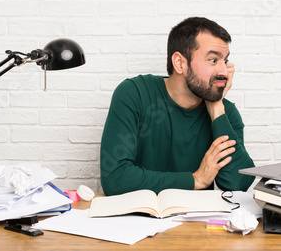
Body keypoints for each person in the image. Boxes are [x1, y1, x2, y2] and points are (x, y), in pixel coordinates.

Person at [100, 17, 255, 196]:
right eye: (213, 60)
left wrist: (217, 106)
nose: (224, 72)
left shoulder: (224, 113)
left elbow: (238, 184)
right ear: (180, 63)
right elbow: (115, 178)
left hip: (196, 223)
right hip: (137, 219)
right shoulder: (134, 94)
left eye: (225, 61)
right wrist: (195, 180)